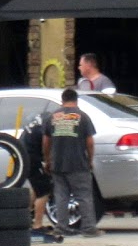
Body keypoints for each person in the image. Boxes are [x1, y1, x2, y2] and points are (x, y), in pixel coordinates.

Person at [43, 88, 100, 237]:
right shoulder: (83, 117)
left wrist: (48, 159)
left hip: (58, 164)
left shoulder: (52, 117)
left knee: (61, 196)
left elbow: (46, 141)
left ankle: (62, 228)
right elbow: (90, 142)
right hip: (78, 164)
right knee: (84, 196)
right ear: (76, 100)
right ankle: (89, 229)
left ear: (62, 100)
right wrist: (90, 159)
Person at [19, 112, 53, 234]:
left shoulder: (45, 115)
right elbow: (46, 141)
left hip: (21, 151)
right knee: (44, 190)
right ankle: (37, 226)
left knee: (36, 186)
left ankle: (23, 218)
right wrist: (47, 161)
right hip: (31, 155)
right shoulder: (52, 122)